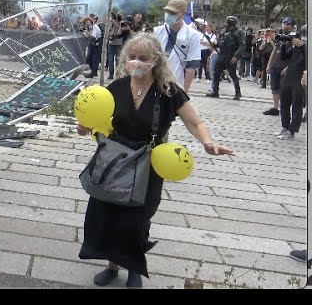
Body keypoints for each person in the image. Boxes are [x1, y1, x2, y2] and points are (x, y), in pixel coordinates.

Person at [76, 33, 233, 287]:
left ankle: (134, 268)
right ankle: (112, 265)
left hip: (148, 163)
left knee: (137, 219)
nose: (136, 62)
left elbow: (195, 121)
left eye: (143, 58)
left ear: (155, 61)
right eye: (132, 57)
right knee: (109, 212)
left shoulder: (168, 91)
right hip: (115, 159)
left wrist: (207, 142)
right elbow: (96, 117)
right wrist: (84, 127)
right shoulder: (116, 88)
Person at [152, 0, 201, 92]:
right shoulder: (157, 31)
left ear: (182, 14)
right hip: (155, 81)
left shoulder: (192, 35)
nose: (169, 15)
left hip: (176, 83)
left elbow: (191, 67)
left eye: (173, 13)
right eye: (167, 11)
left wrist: (185, 92)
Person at [274, 30, 307, 139]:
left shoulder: (305, 48)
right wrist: (283, 44)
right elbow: (283, 57)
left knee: (296, 106)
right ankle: (285, 127)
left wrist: (302, 46)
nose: (292, 40)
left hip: (298, 80)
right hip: (288, 79)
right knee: (284, 104)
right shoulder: (294, 49)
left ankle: (292, 131)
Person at [206, 16, 245, 100]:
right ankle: (215, 91)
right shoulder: (223, 31)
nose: (225, 24)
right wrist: (214, 44)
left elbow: (242, 45)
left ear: (231, 24)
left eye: (226, 22)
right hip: (222, 55)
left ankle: (237, 93)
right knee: (216, 73)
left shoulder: (239, 32)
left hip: (231, 56)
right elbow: (220, 42)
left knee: (233, 75)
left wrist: (236, 56)